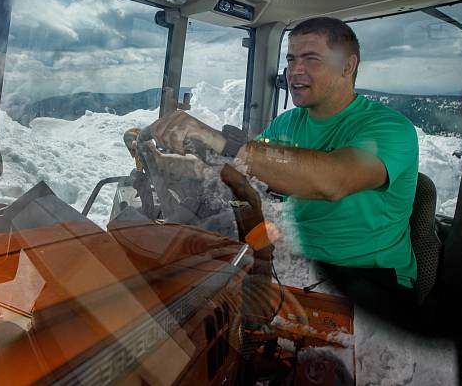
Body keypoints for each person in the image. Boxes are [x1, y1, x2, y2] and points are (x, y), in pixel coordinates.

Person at [150, 17, 419, 314]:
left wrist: (221, 141)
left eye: (310, 59)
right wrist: (164, 162)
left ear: (348, 66)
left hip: (367, 281)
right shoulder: (287, 123)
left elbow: (334, 180)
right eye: (291, 60)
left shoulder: (390, 129)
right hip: (294, 264)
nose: (295, 70)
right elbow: (244, 167)